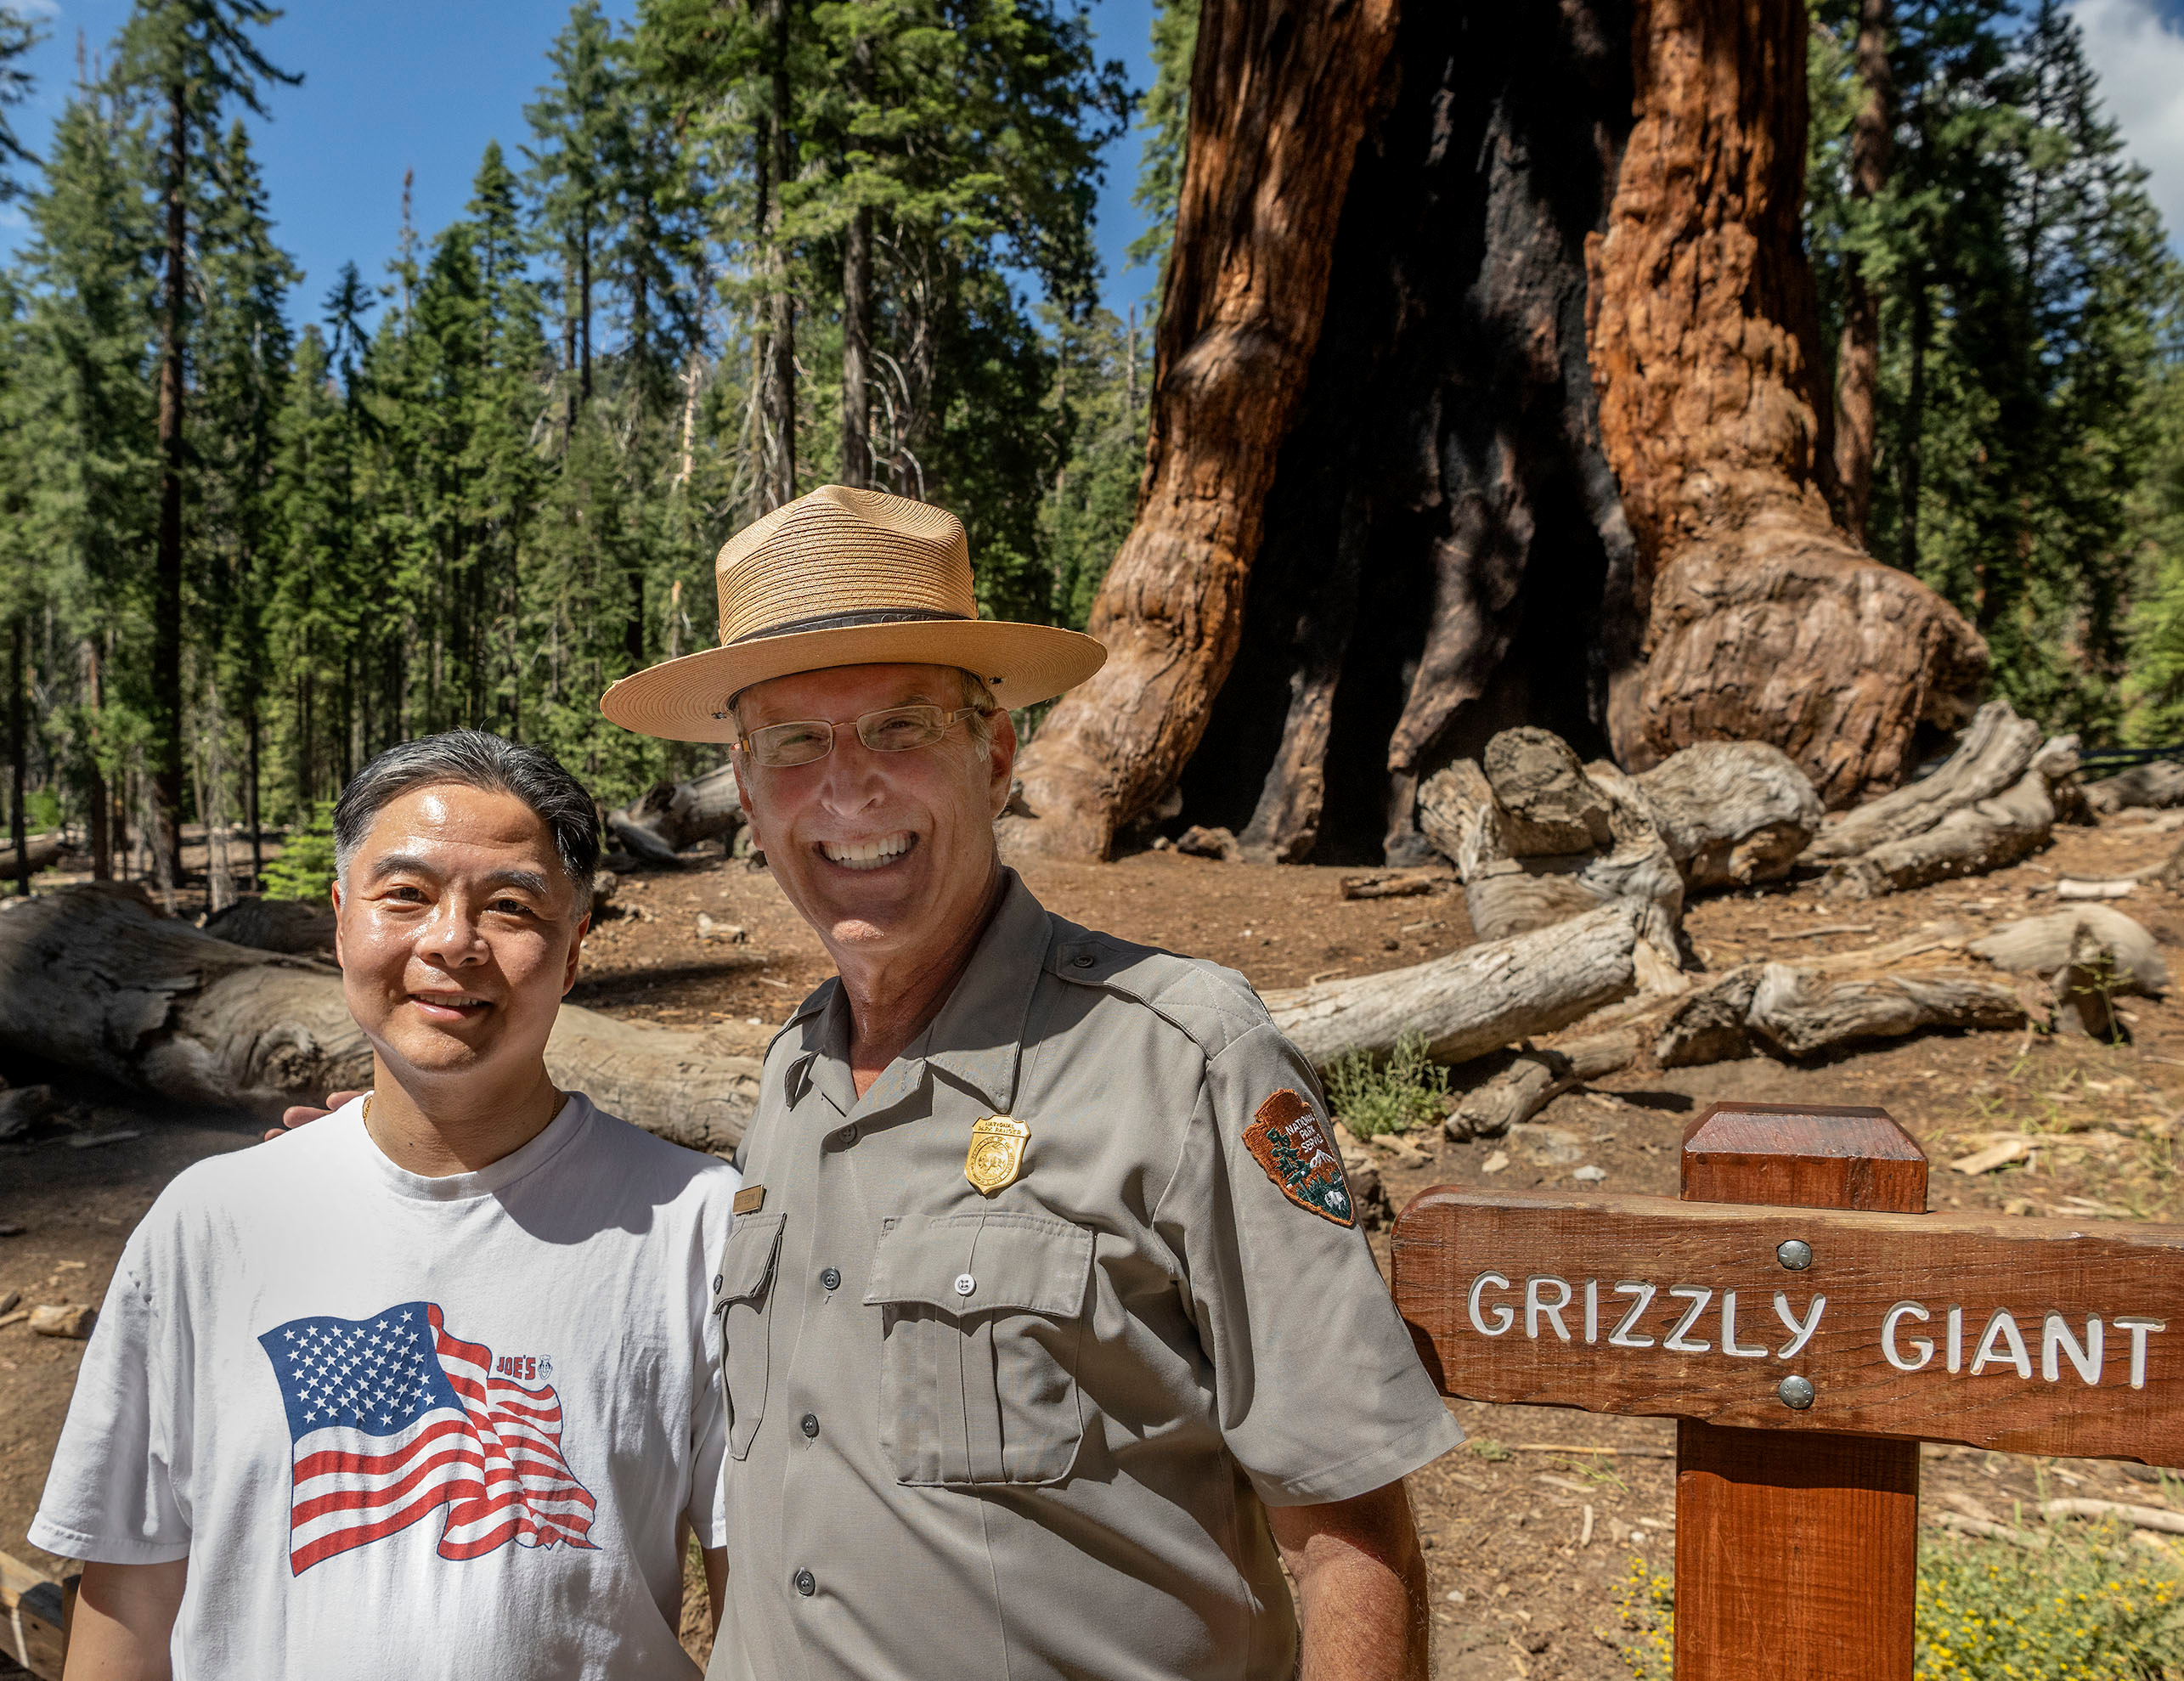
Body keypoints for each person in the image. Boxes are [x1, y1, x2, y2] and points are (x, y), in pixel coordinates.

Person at [597, 485, 1464, 1681]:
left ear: (995, 755)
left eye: (898, 726)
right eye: (792, 744)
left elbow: (1352, 1541)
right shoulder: (794, 1070)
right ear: (746, 792)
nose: (847, 789)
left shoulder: (1181, 1058)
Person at [31, 732, 737, 1679]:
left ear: (573, 950)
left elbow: (757, 1607)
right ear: (340, 921)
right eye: (406, 894)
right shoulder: (210, 1225)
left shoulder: (696, 1226)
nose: (451, 941)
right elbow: (131, 1600)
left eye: (511, 905)